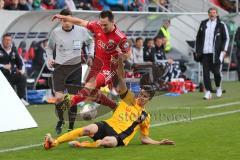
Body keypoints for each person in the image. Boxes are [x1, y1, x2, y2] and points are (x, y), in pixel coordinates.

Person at [43, 55, 175, 150]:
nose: (140, 97)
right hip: (107, 125)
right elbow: (121, 79)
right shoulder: (128, 99)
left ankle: (83, 145)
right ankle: (54, 142)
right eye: (140, 94)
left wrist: (159, 142)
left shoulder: (145, 117)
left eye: (144, 96)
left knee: (107, 142)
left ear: (149, 99)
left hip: (120, 137)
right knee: (87, 129)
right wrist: (119, 64)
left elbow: (144, 139)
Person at [52, 10, 131, 111]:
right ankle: (115, 106)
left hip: (109, 68)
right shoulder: (97, 25)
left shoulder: (120, 37)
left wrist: (120, 57)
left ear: (113, 22)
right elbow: (80, 22)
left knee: (90, 86)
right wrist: (63, 17)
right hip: (96, 66)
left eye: (105, 25)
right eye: (101, 24)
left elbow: (128, 54)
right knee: (91, 93)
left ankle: (68, 104)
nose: (102, 27)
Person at [46, 9, 94, 134]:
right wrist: (50, 59)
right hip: (60, 68)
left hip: (75, 68)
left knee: (73, 99)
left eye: (68, 20)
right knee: (59, 98)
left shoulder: (81, 31)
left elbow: (91, 42)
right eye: (63, 20)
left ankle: (71, 127)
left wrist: (90, 55)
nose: (66, 23)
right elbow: (49, 48)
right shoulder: (55, 33)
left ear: (72, 19)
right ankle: (61, 121)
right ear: (61, 21)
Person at [196, 7, 229, 100]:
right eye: (210, 12)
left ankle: (218, 87)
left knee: (216, 73)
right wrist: (198, 50)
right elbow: (198, 38)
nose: (212, 14)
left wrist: (224, 50)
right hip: (205, 53)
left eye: (214, 12)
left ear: (217, 14)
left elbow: (226, 38)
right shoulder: (203, 24)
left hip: (216, 54)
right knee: (205, 74)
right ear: (208, 14)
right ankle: (208, 91)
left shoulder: (221, 25)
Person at [0, 33, 29, 106]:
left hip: (11, 74)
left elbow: (20, 63)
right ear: (2, 41)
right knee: (9, 86)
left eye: (9, 40)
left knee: (22, 77)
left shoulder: (13, 50)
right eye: (6, 40)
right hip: (2, 75)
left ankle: (20, 99)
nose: (8, 42)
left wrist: (21, 70)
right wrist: (3, 66)